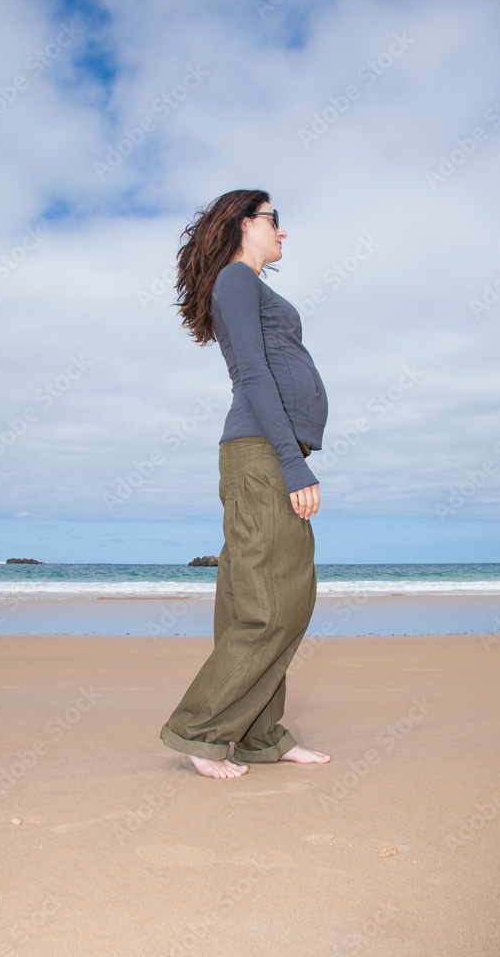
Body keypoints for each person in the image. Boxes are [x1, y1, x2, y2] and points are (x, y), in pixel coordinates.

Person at [159, 189, 331, 779]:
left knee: (249, 600)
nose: (283, 232)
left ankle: (260, 737)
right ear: (242, 224)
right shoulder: (236, 280)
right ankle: (200, 731)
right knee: (275, 604)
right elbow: (252, 371)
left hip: (263, 455)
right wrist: (293, 461)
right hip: (263, 455)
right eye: (274, 220)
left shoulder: (248, 285)